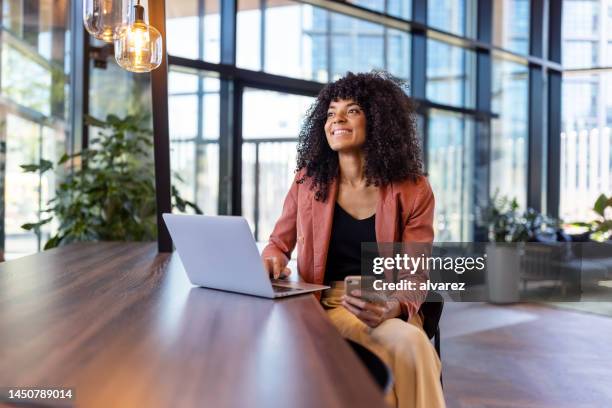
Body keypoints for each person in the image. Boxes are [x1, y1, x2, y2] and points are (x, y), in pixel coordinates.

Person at [261, 71, 445, 408]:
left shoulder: (414, 189)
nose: (338, 120)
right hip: (326, 304)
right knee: (409, 352)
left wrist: (395, 306)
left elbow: (416, 272)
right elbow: (278, 244)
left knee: (405, 352)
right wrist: (273, 258)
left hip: (386, 302)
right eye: (331, 113)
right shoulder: (307, 183)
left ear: (377, 120)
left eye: (352, 111)